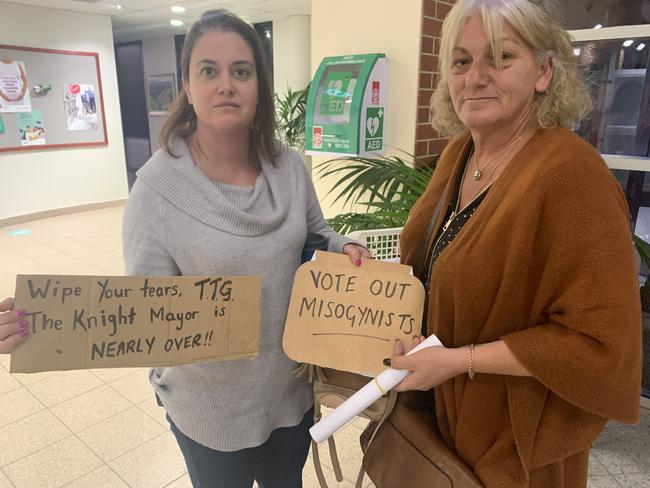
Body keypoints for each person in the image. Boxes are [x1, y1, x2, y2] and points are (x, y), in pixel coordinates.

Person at [0, 9, 370, 488]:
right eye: (209, 71)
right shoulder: (157, 189)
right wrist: (40, 323)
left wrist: (348, 248)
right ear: (187, 86)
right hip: (208, 411)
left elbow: (315, 237)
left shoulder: (290, 167)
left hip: (289, 392)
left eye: (241, 71)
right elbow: (140, 310)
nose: (226, 85)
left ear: (259, 83)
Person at [383, 0, 642, 487]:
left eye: (501, 58)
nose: (475, 77)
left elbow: (600, 345)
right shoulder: (461, 153)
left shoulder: (572, 176)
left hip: (517, 445)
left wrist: (459, 361)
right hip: (443, 422)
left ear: (544, 72)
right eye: (461, 61)